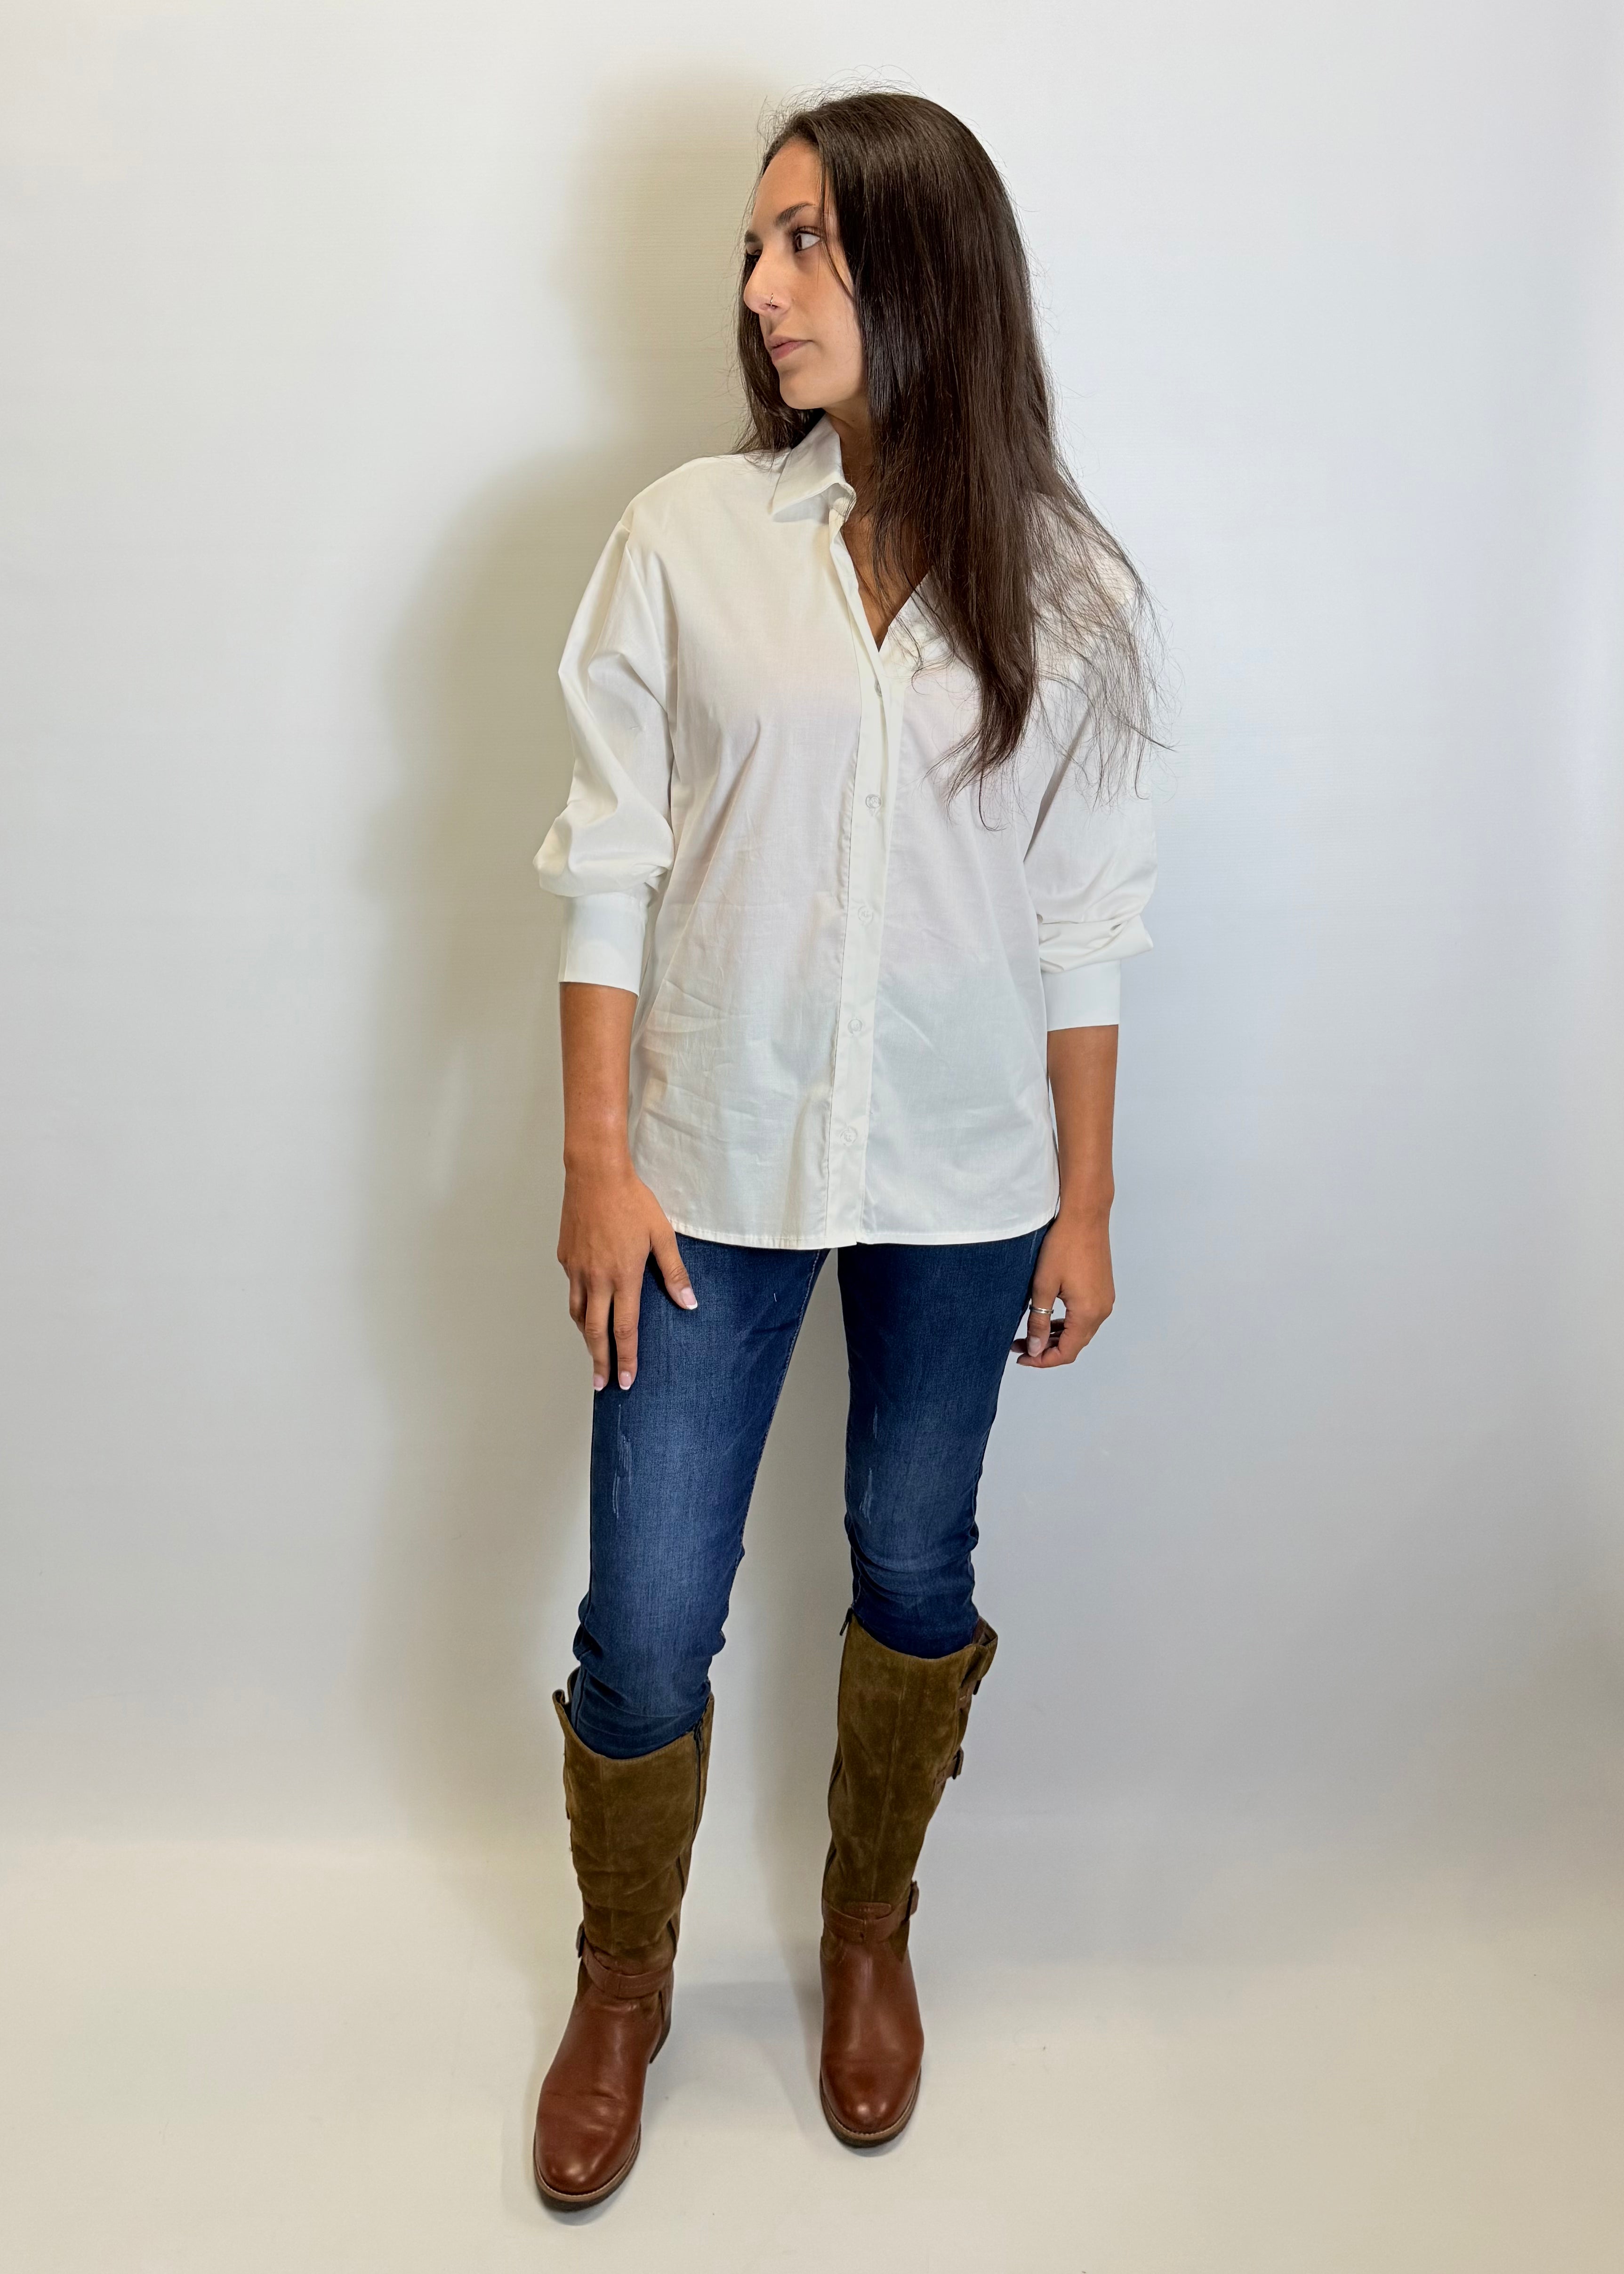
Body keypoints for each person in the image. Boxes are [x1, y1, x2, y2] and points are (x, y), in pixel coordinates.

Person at [528, 89, 1158, 2209]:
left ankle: (867, 1928)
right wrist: (595, 1161)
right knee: (645, 1615)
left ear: (920, 263)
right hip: (701, 1170)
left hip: (966, 1182)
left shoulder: (1066, 584)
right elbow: (608, 866)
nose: (760, 289)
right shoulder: (684, 542)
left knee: (913, 1560)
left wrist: (1083, 1199)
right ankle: (623, 1976)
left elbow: (1080, 922)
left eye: (803, 240)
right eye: (753, 246)